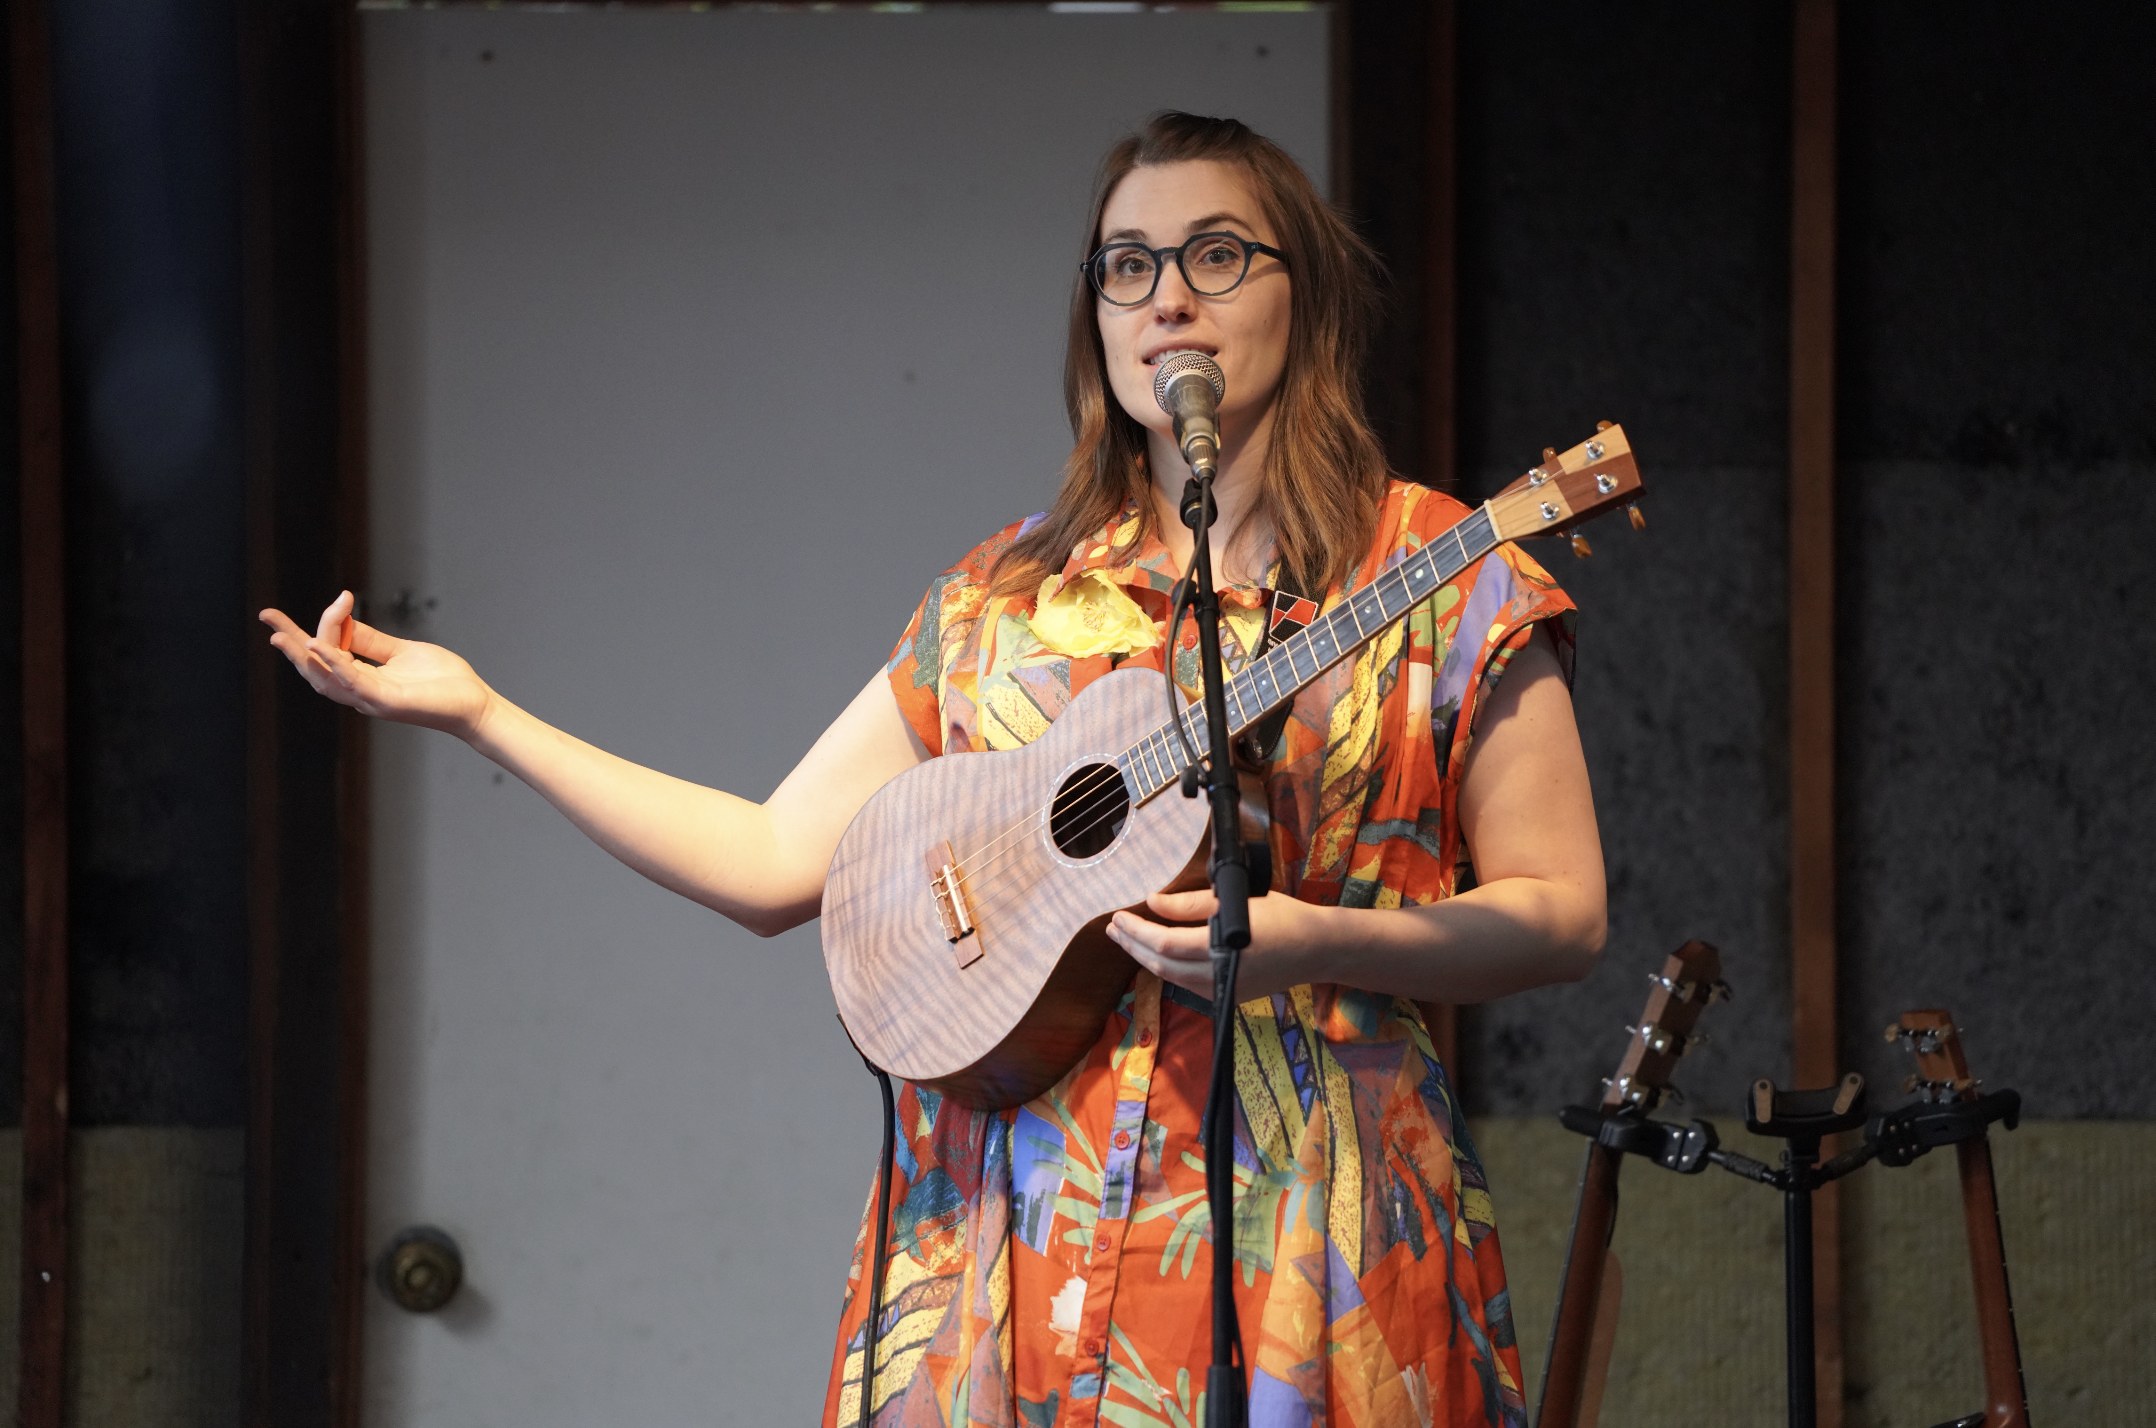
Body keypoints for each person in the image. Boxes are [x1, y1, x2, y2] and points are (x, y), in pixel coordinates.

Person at [263, 112, 1603, 1428]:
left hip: (1309, 1233)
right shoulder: (999, 600)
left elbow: (1561, 911)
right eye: (1126, 266)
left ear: (1302, 295)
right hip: (1015, 1236)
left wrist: (1322, 944)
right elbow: (770, 863)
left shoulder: (1441, 570)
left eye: (1216, 255)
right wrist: (484, 713)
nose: (1166, 301)